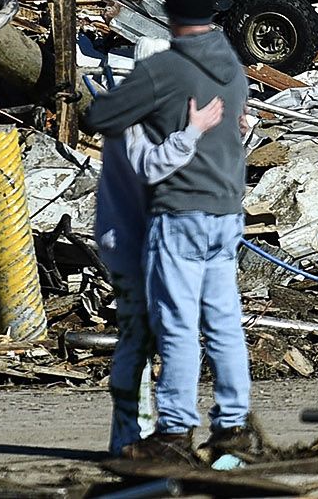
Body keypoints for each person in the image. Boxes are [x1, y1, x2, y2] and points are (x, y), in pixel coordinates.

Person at [84, 0, 253, 464]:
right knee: (223, 323)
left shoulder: (166, 70)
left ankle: (175, 433)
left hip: (181, 214)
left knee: (176, 323)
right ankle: (233, 431)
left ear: (169, 14)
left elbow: (101, 116)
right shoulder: (235, 68)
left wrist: (154, 113)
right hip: (227, 215)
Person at [93, 90, 224, 455]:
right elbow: (153, 170)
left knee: (142, 338)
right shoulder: (138, 122)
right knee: (141, 338)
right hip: (133, 247)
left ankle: (136, 432)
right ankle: (131, 435)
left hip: (132, 244)